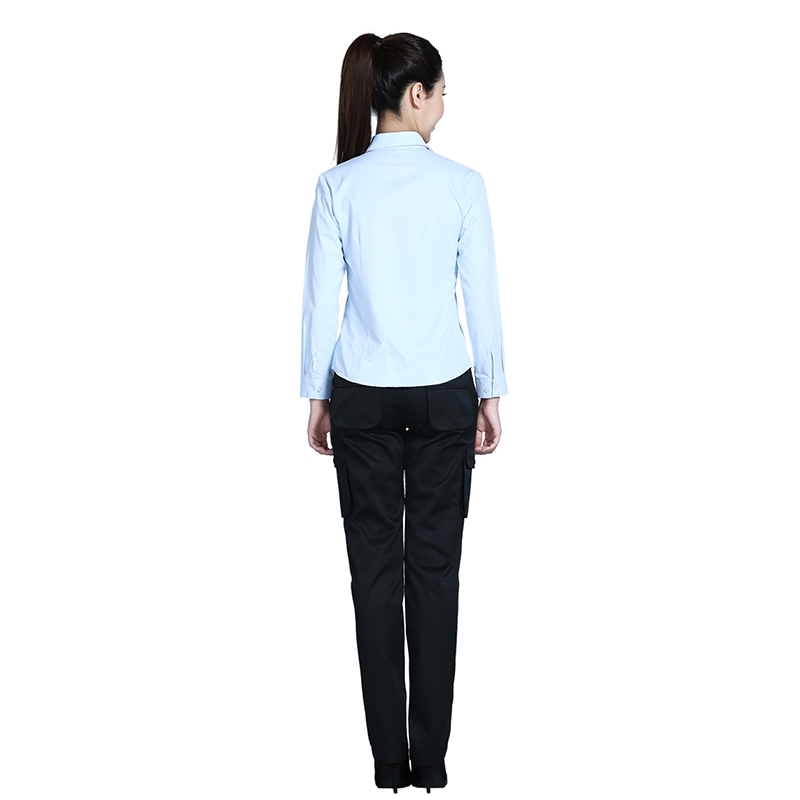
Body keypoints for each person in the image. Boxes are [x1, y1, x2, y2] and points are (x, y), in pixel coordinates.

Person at [299, 31, 508, 793]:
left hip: (360, 392)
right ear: (415, 94)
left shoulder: (338, 185)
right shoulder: (461, 184)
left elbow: (321, 301)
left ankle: (389, 763)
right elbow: (481, 296)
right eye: (442, 92)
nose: (444, 105)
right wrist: (491, 391)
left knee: (373, 578)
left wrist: (317, 396)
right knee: (436, 576)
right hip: (445, 390)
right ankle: (432, 762)